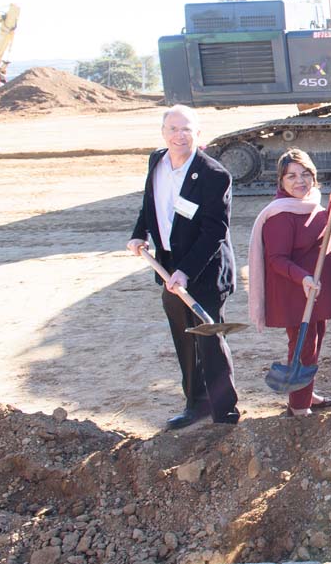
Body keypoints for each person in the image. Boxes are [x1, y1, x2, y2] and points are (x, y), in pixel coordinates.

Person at [127, 105, 239, 429]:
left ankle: (225, 413)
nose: (180, 135)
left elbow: (215, 230)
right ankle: (197, 404)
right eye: (173, 129)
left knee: (208, 338)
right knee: (184, 339)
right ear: (164, 133)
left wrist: (186, 271)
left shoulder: (214, 174)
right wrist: (139, 234)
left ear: (198, 134)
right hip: (167, 267)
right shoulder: (156, 162)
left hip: (203, 270)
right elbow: (150, 202)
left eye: (186, 129)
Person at [247, 149, 331, 416]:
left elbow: (322, 234)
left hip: (315, 286)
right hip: (295, 289)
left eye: (305, 174)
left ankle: (305, 392)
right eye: (291, 176)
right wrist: (301, 277)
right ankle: (299, 407)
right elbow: (276, 259)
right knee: (303, 345)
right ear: (280, 181)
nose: (299, 181)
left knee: (315, 339)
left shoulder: (311, 203)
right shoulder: (280, 214)